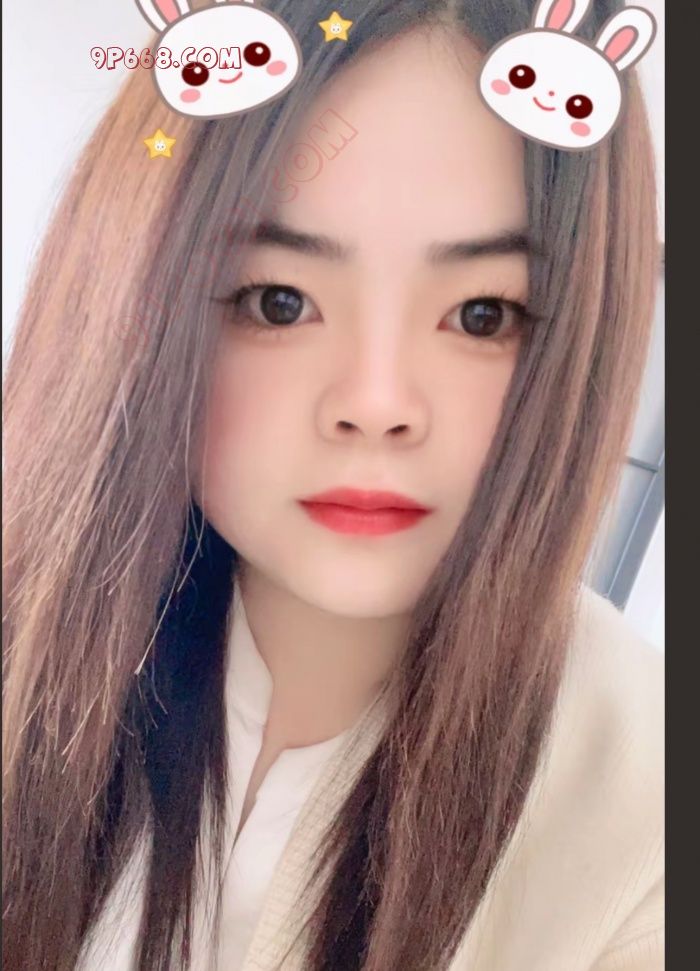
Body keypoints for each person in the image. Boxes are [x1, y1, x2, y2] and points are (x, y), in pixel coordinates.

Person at [2, 2, 663, 970]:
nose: (377, 403)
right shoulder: (32, 642)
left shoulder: (646, 806)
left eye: (484, 315)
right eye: (279, 301)